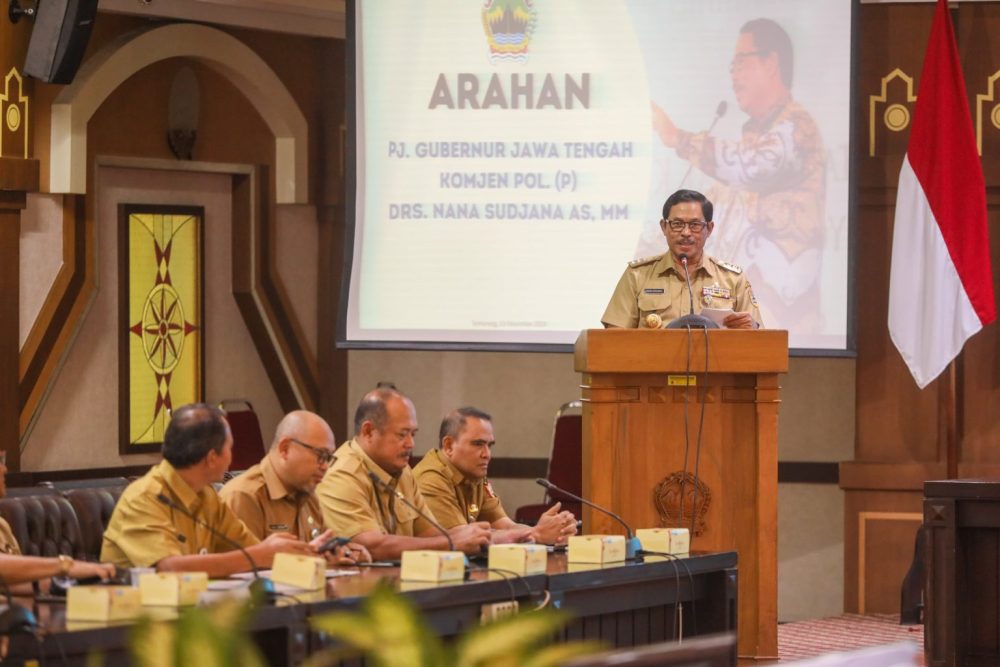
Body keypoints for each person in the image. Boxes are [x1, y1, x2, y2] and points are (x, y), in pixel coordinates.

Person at [648, 18, 825, 331]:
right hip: (732, 318)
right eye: (732, 66)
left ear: (771, 63)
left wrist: (676, 137)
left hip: (784, 315)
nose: (733, 74)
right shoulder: (752, 140)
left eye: (740, 62)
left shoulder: (798, 128)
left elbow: (750, 167)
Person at [101, 403, 317, 576]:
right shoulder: (144, 497)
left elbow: (248, 549)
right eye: (230, 448)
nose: (231, 458)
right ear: (212, 458)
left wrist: (314, 555)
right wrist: (258, 555)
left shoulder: (207, 496)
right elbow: (169, 568)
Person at [316, 388, 492, 561]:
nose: (411, 444)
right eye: (402, 435)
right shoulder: (341, 475)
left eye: (413, 434)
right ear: (368, 432)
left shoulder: (403, 471)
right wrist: (453, 543)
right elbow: (372, 547)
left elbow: (432, 536)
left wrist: (475, 537)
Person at [219, 410, 371, 564]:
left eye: (329, 458)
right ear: (285, 449)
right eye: (320, 455)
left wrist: (343, 554)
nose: (325, 466)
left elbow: (321, 553)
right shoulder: (245, 495)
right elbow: (241, 569)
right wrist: (308, 559)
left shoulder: (309, 495)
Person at [602, 189, 762, 329]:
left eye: (695, 225)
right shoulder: (637, 275)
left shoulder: (733, 279)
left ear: (709, 228)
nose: (686, 233)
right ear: (664, 227)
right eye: (677, 224)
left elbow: (759, 338)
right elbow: (615, 336)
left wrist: (752, 327)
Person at [413, 407, 577, 545]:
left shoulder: (473, 474)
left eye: (489, 445)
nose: (487, 454)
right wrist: (535, 534)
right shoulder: (430, 478)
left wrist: (551, 531)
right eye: (478, 444)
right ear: (449, 445)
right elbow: (463, 538)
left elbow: (505, 526)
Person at [0, 452, 116, 586]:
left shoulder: (2, 525)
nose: (5, 469)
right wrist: (66, 566)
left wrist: (72, 583)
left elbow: (13, 583)